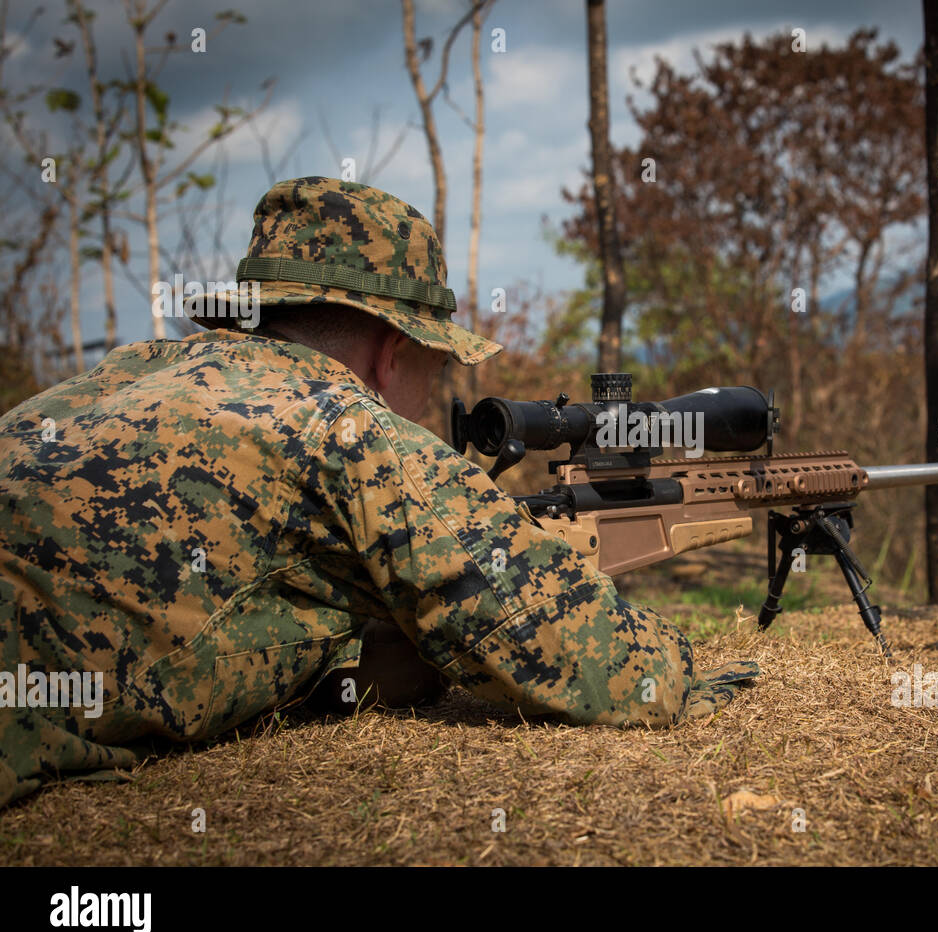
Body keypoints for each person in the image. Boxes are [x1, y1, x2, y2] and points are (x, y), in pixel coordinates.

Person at [0, 176, 758, 808]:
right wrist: (689, 667)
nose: (431, 395)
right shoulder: (343, 425)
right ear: (393, 353)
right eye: (436, 364)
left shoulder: (109, 379)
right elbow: (592, 660)